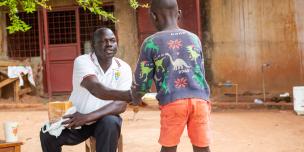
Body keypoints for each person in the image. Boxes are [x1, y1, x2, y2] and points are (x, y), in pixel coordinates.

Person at [132, 0, 211, 152]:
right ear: (179, 14)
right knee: (202, 146)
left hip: (173, 101)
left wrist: (135, 97)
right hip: (200, 100)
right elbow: (200, 72)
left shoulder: (151, 42)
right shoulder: (194, 38)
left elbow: (143, 82)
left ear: (153, 16)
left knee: (169, 147)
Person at [40, 27, 133, 152]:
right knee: (47, 135)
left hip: (102, 120)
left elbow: (120, 106)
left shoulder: (123, 67)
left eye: (112, 40)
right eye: (103, 41)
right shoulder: (83, 61)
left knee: (111, 122)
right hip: (77, 119)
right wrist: (129, 95)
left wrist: (88, 117)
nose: (109, 44)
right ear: (93, 45)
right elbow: (96, 89)